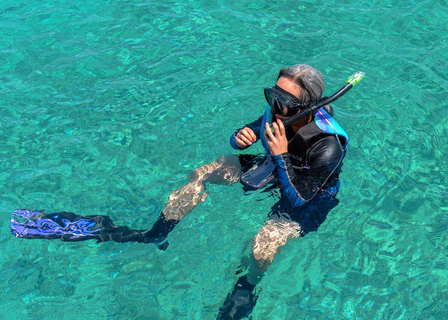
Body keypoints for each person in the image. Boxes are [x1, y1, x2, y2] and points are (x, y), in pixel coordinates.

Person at [10, 64, 349, 320]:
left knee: (263, 245)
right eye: (271, 95)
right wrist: (241, 137)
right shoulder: (277, 113)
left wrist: (277, 156)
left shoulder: (328, 146)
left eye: (284, 100)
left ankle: (246, 286)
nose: (274, 104)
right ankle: (154, 234)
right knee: (201, 173)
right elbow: (246, 133)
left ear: (306, 106)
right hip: (277, 164)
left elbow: (298, 199)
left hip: (308, 195)